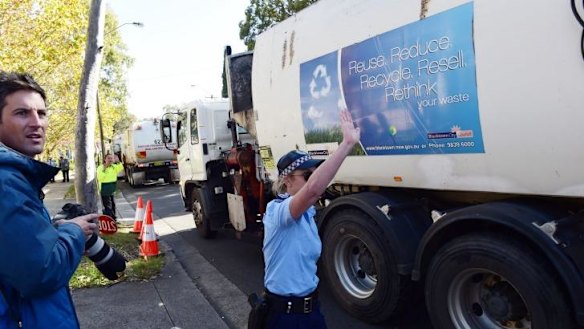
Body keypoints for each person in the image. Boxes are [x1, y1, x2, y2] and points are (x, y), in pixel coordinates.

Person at [0, 71, 98, 328]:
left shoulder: (14, 176)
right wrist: (75, 232)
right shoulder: (6, 182)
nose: (37, 123)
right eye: (22, 113)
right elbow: (40, 273)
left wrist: (52, 232)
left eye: (41, 113)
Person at [261, 109, 360, 329]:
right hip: (285, 318)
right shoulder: (277, 211)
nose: (314, 180)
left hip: (311, 312)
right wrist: (346, 144)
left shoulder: (307, 213)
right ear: (286, 180)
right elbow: (314, 190)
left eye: (314, 174)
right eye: (308, 175)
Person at [96, 153, 124, 220]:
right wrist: (105, 169)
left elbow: (121, 168)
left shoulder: (113, 167)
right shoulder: (100, 167)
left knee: (113, 205)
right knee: (108, 206)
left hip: (112, 188)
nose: (110, 160)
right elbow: (100, 177)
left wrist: (118, 161)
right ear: (105, 159)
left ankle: (114, 219)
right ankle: (109, 220)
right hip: (105, 189)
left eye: (111, 158)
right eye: (108, 158)